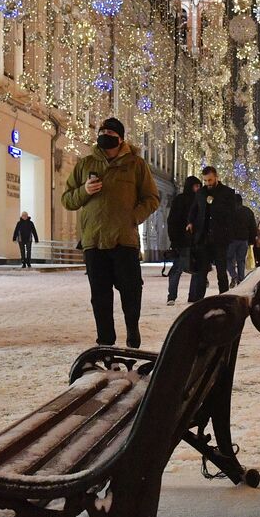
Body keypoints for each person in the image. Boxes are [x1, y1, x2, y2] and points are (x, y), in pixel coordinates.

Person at [61, 117, 159, 348]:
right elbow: (67, 199)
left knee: (131, 290)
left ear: (120, 138)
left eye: (109, 132)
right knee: (100, 296)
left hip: (124, 240)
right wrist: (84, 191)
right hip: (94, 241)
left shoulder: (135, 164)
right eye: (102, 130)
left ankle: (132, 332)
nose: (104, 134)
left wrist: (132, 218)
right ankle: (105, 341)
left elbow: (152, 198)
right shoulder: (85, 164)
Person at [189, 165, 234, 298]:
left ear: (216, 177)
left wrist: (215, 203)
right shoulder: (201, 193)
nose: (208, 183)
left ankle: (224, 297)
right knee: (202, 272)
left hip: (220, 238)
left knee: (221, 271)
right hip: (203, 238)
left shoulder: (227, 193)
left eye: (210, 180)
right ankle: (199, 300)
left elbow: (231, 214)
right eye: (205, 180)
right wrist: (190, 222)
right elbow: (194, 210)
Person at [165, 175, 200, 304]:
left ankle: (176, 296)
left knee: (181, 268)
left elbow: (171, 221)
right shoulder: (192, 201)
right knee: (188, 268)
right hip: (187, 241)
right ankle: (188, 296)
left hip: (185, 241)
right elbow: (173, 221)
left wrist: (173, 239)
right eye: (196, 186)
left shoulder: (180, 200)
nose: (198, 189)